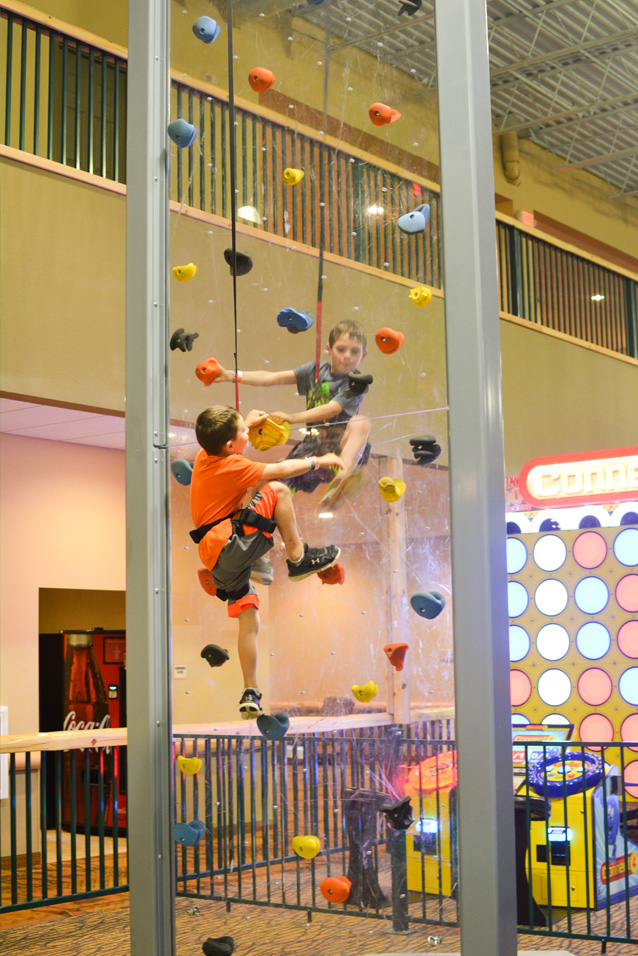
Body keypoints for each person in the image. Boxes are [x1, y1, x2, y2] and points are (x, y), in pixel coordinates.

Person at [190, 404, 343, 719]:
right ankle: (298, 557)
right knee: (277, 490)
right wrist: (319, 459)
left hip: (215, 560)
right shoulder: (235, 465)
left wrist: (245, 422)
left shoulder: (204, 456)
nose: (249, 433)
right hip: (230, 544)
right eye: (244, 432)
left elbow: (229, 439)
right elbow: (282, 471)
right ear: (231, 446)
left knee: (248, 617)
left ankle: (250, 690)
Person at [209, 320, 371, 507]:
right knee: (268, 484)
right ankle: (263, 519)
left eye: (355, 352)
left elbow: (333, 408)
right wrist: (230, 375)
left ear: (363, 355)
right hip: (314, 447)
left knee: (361, 422)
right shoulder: (314, 371)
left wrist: (293, 418)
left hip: (341, 446)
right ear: (329, 348)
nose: (347, 356)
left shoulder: (358, 382)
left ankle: (343, 475)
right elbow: (272, 378)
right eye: (341, 350)